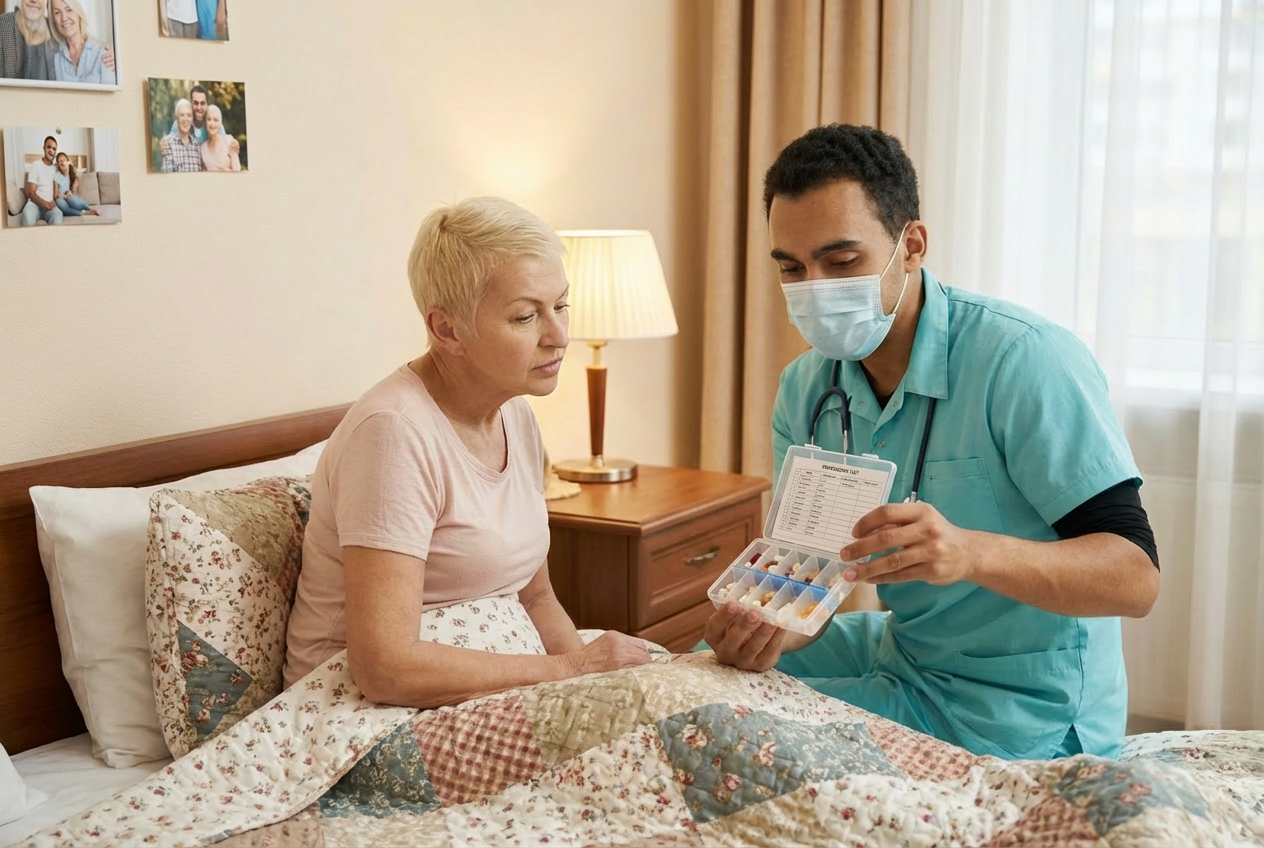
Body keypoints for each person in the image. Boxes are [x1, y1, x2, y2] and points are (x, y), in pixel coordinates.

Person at [702, 123, 1159, 761]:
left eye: (841, 262)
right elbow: (812, 575)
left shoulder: (1024, 361)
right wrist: (767, 631)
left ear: (911, 245)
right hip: (906, 650)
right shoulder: (807, 389)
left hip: (1022, 697)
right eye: (792, 268)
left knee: (741, 737)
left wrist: (971, 552)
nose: (816, 289)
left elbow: (1135, 579)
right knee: (696, 675)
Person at [283, 196, 652, 706]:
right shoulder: (392, 434)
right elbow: (384, 669)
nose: (559, 336)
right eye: (526, 317)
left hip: (495, 691)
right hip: (356, 712)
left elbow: (536, 596)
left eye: (561, 306)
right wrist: (572, 668)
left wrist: (596, 687)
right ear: (447, 330)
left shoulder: (515, 414)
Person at [49, 0, 114, 85]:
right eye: (57, 13)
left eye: (69, 10)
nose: (64, 18)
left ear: (79, 13)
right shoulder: (54, 57)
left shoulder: (103, 53)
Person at [20, 135, 62, 226]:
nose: (51, 150)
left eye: (54, 149)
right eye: (49, 147)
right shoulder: (35, 165)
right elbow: (30, 192)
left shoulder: (56, 169)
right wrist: (44, 203)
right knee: (27, 217)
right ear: (44, 148)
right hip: (34, 204)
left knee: (58, 216)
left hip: (50, 206)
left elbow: (60, 189)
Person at [160, 99, 204, 172]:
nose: (185, 119)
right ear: (176, 118)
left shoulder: (197, 145)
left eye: (189, 115)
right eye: (182, 115)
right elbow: (168, 176)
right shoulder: (168, 143)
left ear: (192, 118)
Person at [52, 151, 98, 217]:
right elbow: (55, 195)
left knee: (72, 200)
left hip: (69, 196)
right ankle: (84, 213)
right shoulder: (56, 176)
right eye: (60, 161)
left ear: (68, 161)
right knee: (60, 203)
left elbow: (74, 189)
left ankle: (90, 208)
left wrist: (70, 193)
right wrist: (63, 196)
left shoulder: (72, 173)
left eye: (64, 160)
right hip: (61, 197)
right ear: (58, 164)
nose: (62, 162)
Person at [199, 105, 240, 171]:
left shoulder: (229, 141)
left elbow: (237, 171)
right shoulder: (203, 148)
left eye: (215, 120)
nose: (212, 123)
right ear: (205, 122)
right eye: (209, 119)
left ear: (220, 123)